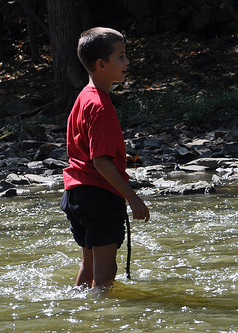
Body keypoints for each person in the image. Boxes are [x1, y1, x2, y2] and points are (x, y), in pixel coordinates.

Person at [60, 27, 150, 289]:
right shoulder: (100, 106)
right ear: (101, 64)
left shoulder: (83, 98)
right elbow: (101, 161)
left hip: (76, 194)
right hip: (99, 196)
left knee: (88, 265)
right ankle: (100, 319)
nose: (127, 62)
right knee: (106, 271)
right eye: (121, 56)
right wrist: (133, 199)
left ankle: (77, 308)